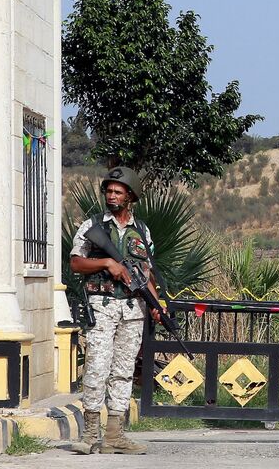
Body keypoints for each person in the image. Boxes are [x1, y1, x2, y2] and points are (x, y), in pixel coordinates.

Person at [67, 166, 162, 455]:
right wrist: (107, 264)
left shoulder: (142, 231)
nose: (112, 195)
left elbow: (147, 273)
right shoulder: (93, 226)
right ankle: (90, 435)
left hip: (133, 309)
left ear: (130, 196)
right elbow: (75, 263)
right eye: (108, 190)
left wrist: (157, 304)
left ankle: (115, 435)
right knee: (96, 367)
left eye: (118, 192)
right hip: (103, 307)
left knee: (123, 372)